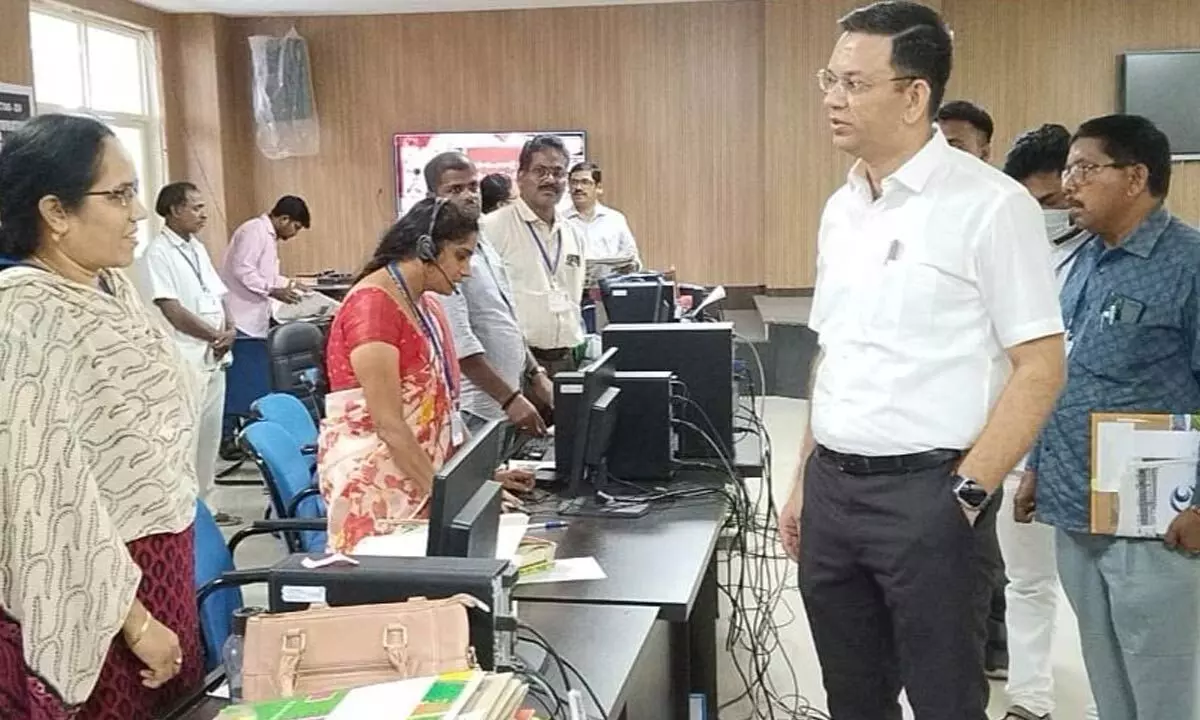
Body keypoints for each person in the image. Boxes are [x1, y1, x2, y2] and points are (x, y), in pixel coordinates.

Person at [778, 4, 1066, 719]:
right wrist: (802, 479)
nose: (831, 98)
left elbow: (1041, 364)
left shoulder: (991, 207)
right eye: (829, 79)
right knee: (853, 696)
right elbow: (833, 351)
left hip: (930, 496)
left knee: (944, 698)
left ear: (914, 96)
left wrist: (965, 496)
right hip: (834, 493)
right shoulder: (841, 207)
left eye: (852, 82)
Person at [0, 114, 201, 718]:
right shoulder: (25, 315)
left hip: (167, 556)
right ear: (55, 213)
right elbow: (51, 494)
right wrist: (135, 622)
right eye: (119, 195)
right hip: (97, 590)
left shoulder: (112, 288)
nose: (139, 212)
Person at [1020, 114, 1200, 720]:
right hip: (1078, 509)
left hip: (1159, 523)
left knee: (1162, 686)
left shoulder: (1190, 264)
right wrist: (1037, 467)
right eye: (1069, 169)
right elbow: (1062, 371)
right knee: (1107, 677)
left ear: (1135, 178)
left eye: (1084, 169)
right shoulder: (1085, 262)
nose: (1069, 184)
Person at [318, 198, 532, 554]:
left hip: (420, 475)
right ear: (427, 248)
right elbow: (390, 427)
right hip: (378, 488)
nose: (467, 270)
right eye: (461, 256)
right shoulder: (373, 309)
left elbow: (442, 407)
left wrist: (476, 481)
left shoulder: (426, 304)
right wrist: (456, 500)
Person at [997, 123, 1097, 720]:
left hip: (1090, 447)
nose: (1051, 213)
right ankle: (1028, 700)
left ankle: (1101, 702)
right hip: (1021, 441)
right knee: (1027, 580)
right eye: (1035, 204)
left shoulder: (1106, 257)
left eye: (1056, 201)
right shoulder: (1010, 256)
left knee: (1095, 592)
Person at [937, 99, 1010, 682]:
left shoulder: (999, 213)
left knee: (980, 554)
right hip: (922, 440)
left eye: (957, 143)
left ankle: (991, 646)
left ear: (986, 148)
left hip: (983, 433)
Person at [424, 152, 554, 433]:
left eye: (473, 186)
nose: (470, 196)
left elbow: (504, 317)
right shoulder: (439, 254)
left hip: (503, 400)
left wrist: (535, 374)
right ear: (432, 196)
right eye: (455, 189)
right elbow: (461, 344)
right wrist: (510, 399)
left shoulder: (482, 242)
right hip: (474, 409)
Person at [140, 182, 242, 527]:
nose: (204, 213)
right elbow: (171, 308)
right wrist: (216, 334)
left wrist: (230, 327)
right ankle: (186, 511)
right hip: (187, 356)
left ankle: (208, 508)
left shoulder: (196, 247)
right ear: (173, 210)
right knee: (188, 435)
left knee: (210, 436)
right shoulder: (157, 253)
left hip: (214, 354)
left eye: (202, 206)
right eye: (196, 208)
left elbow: (218, 293)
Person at [483, 136, 587, 377]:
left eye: (558, 172)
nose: (550, 179)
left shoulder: (574, 233)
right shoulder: (492, 228)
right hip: (517, 363)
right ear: (520, 176)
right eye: (540, 171)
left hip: (566, 360)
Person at [221, 195, 310, 338]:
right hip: (240, 318)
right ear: (284, 219)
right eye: (296, 227)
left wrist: (292, 284)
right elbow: (243, 270)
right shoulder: (254, 230)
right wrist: (272, 291)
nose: (295, 234)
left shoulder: (269, 236)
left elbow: (267, 276)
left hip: (254, 319)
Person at [564, 162, 642, 283]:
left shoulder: (615, 219)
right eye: (574, 182)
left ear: (598, 187)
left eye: (585, 182)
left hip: (609, 291)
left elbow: (633, 259)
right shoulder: (560, 222)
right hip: (572, 291)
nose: (578, 188)